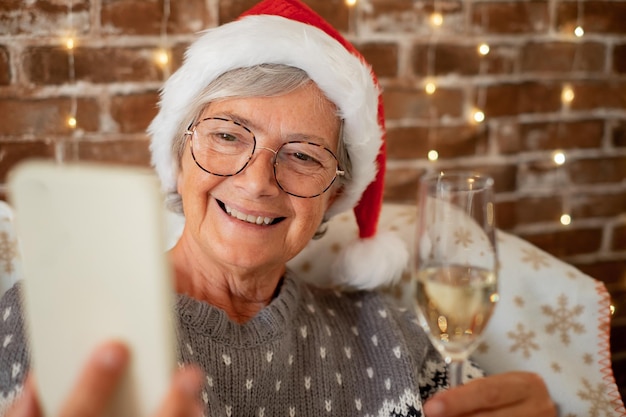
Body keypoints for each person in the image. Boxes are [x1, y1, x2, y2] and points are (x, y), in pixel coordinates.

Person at [0, 0, 557, 416]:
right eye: (227, 135)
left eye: (303, 156)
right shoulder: (47, 317)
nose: (257, 181)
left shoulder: (392, 337)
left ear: (336, 195)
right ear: (179, 153)